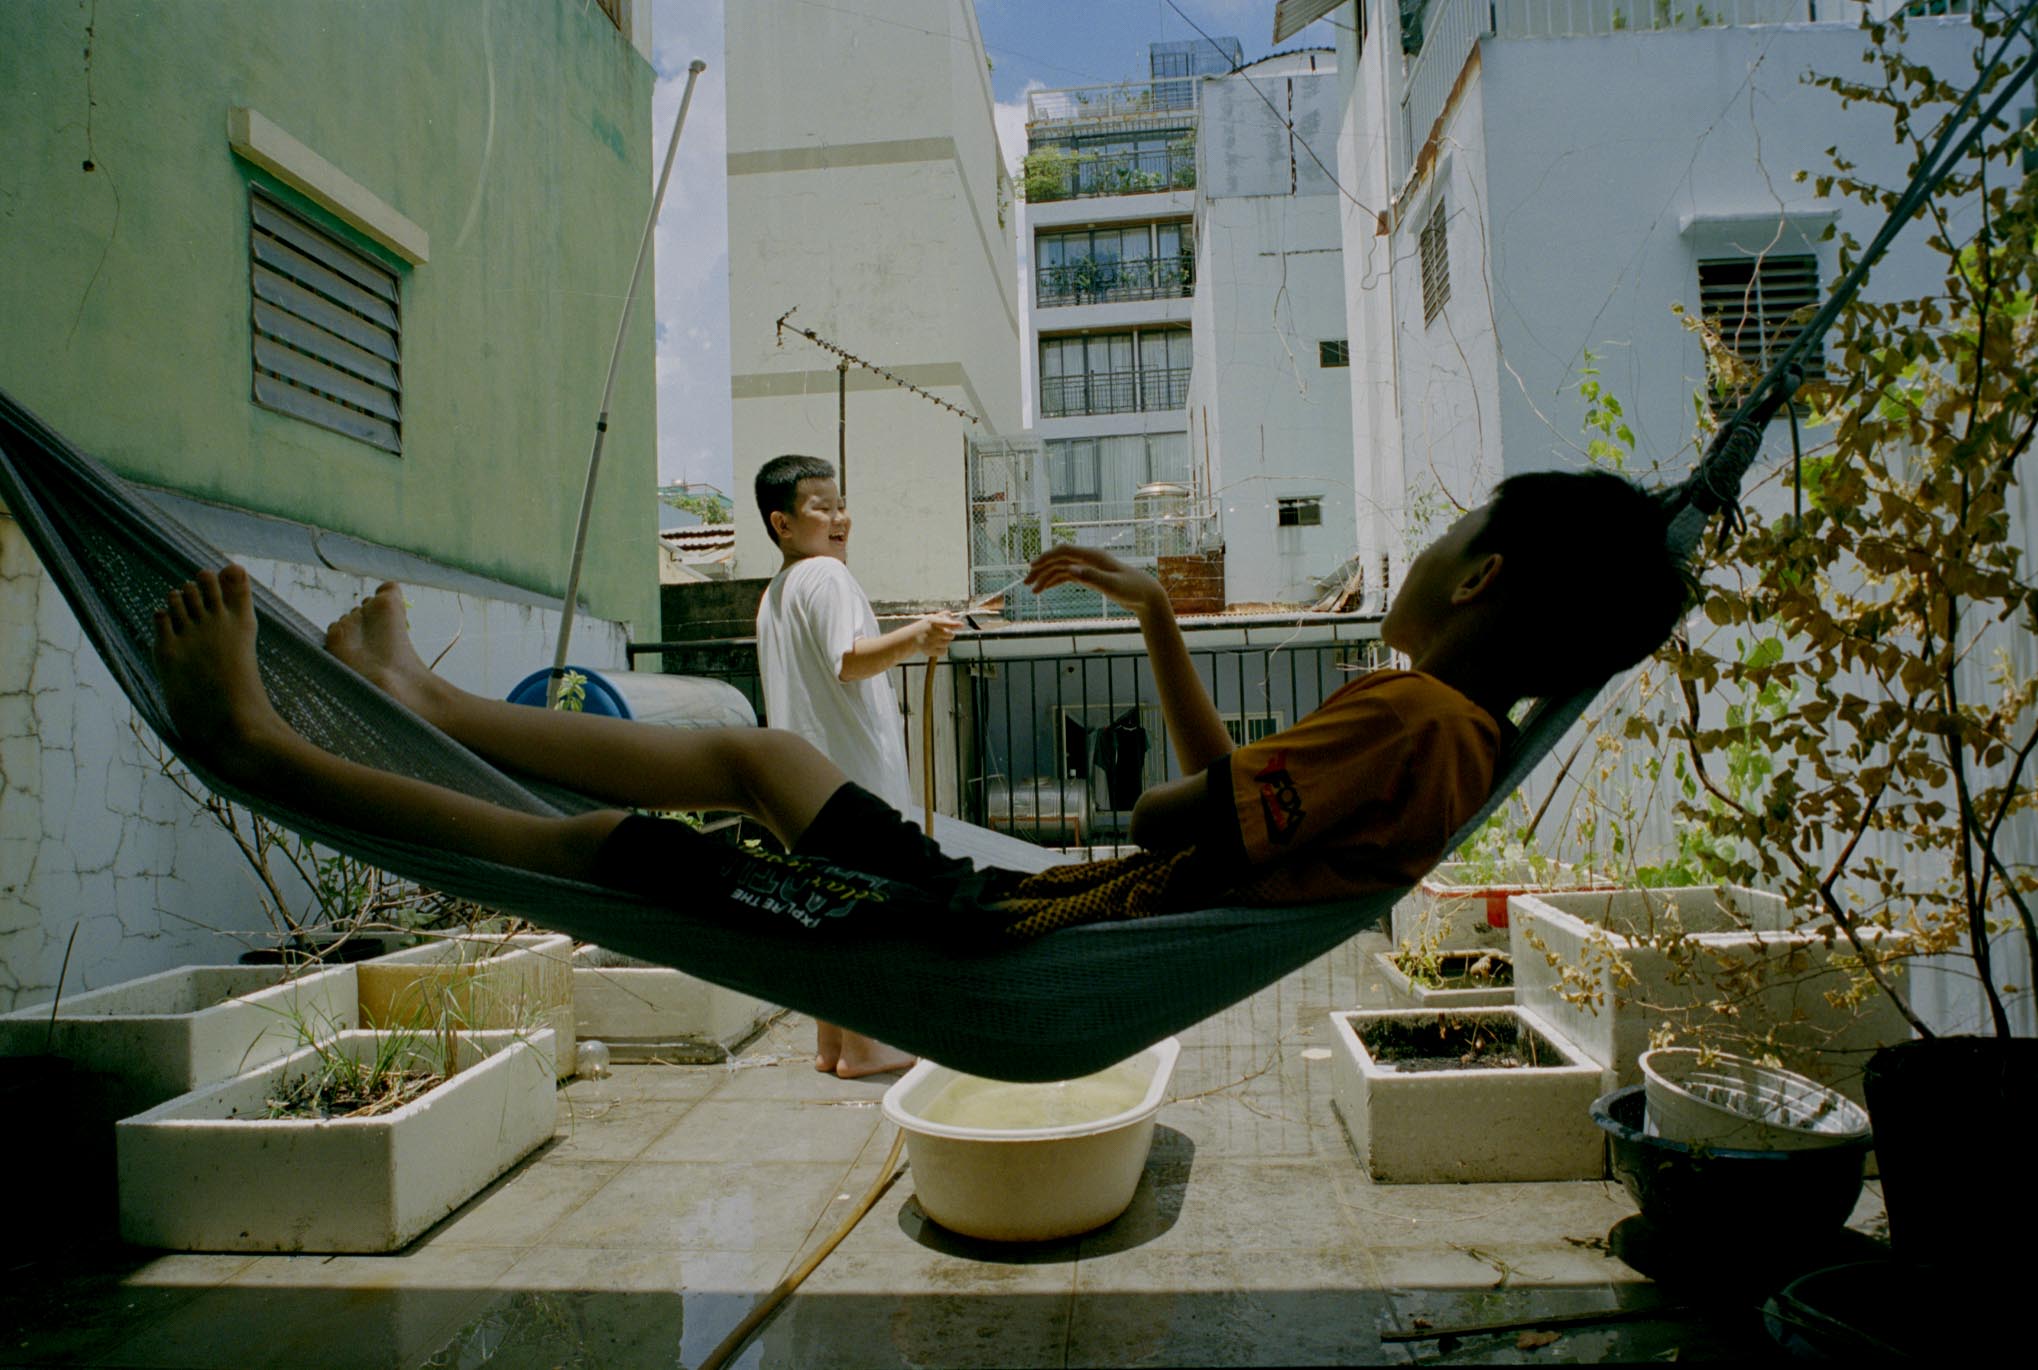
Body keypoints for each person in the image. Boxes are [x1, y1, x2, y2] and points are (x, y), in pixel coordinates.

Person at [152, 471, 1688, 951]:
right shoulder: (1458, 738)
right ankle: (419, 693)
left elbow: (1175, 815)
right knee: (753, 754)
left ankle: (258, 747)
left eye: (1442, 531)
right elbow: (1239, 819)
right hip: (996, 906)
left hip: (993, 934)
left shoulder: (1411, 720)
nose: (1419, 549)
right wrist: (1157, 622)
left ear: (1478, 575)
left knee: (617, 850)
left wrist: (1179, 784)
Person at [750, 452, 962, 1076]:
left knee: (829, 917)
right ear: (783, 523)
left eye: (841, 505)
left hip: (805, 788)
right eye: (822, 507)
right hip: (852, 783)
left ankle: (833, 1046)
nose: (841, 518)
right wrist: (917, 636)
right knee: (868, 914)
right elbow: (848, 659)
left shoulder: (776, 594)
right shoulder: (827, 576)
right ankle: (868, 1049)